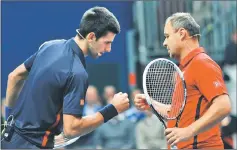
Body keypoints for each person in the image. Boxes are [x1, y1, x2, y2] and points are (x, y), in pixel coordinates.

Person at [2, 6, 130, 149]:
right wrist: (112, 109)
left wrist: (8, 120)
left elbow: (14, 76)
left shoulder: (49, 46)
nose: (109, 49)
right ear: (91, 37)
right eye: (107, 42)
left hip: (9, 140)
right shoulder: (77, 73)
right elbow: (72, 129)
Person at [133, 12, 231, 149]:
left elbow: (223, 106)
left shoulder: (201, 63)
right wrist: (152, 104)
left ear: (182, 33)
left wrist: (188, 131)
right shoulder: (185, 69)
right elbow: (178, 113)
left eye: (167, 36)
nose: (164, 42)